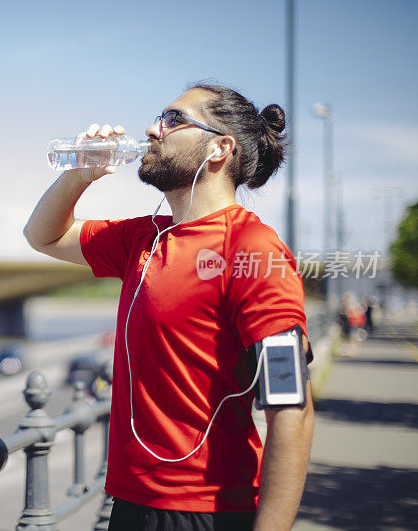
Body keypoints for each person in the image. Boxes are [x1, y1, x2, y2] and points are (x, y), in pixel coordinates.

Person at [24, 83, 314, 531]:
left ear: (220, 148)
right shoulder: (142, 238)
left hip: (206, 511)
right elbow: (41, 236)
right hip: (129, 501)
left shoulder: (254, 249)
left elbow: (291, 407)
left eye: (174, 119)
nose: (152, 128)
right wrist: (81, 172)